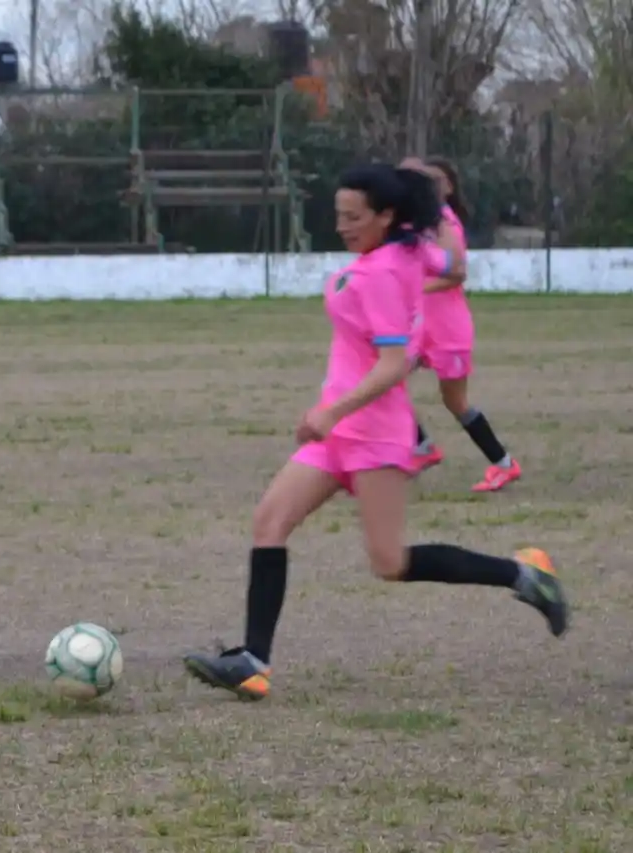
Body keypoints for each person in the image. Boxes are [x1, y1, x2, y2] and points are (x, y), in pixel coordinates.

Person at [182, 164, 567, 702]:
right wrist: (436, 215)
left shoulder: (383, 272)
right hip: (338, 432)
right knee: (270, 521)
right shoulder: (408, 250)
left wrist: (330, 413)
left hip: (373, 435)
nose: (342, 226)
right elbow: (452, 262)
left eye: (354, 217)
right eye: (339, 215)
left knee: (390, 562)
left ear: (386, 216)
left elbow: (393, 365)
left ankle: (523, 574)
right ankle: (252, 662)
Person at [404, 156, 520, 492]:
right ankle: (422, 447)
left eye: (436, 180)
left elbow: (456, 274)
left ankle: (504, 464)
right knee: (384, 382)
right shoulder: (419, 221)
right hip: (421, 326)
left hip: (447, 328)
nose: (429, 186)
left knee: (456, 402)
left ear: (449, 188)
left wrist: (414, 287)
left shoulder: (446, 223)